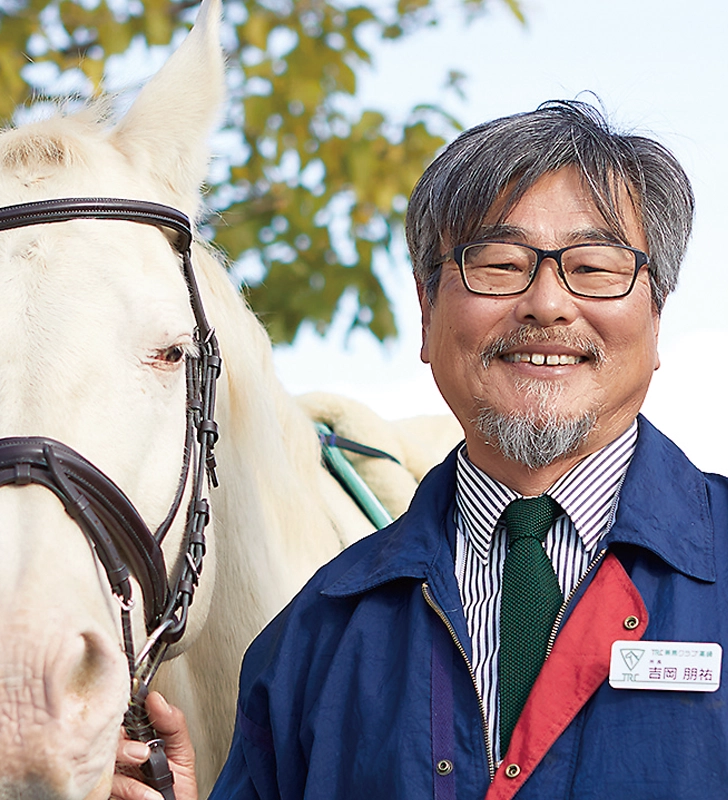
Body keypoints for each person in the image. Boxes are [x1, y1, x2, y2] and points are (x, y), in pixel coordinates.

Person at [113, 100, 728, 800]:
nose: (547, 303)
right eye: (499, 263)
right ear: (427, 311)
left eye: (594, 267)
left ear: (656, 315)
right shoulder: (313, 636)